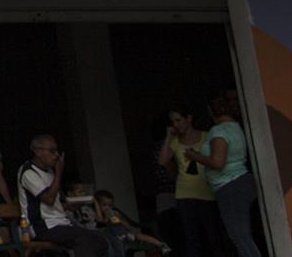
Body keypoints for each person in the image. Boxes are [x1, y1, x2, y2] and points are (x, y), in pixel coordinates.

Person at [185, 91, 262, 257]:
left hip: (230, 186)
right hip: (239, 183)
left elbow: (217, 162)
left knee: (239, 235)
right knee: (242, 234)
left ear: (211, 111)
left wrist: (194, 156)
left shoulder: (218, 131)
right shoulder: (235, 127)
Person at [18, 134, 116, 257]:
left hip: (61, 223)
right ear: (38, 151)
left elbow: (56, 204)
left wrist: (72, 206)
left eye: (56, 151)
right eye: (52, 151)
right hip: (42, 227)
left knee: (100, 240)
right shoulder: (29, 172)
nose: (57, 155)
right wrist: (59, 172)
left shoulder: (49, 171)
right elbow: (48, 199)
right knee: (83, 239)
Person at [158, 106, 224, 256]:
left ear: (188, 118)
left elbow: (218, 160)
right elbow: (162, 161)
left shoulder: (207, 136)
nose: (176, 124)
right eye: (173, 122)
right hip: (184, 194)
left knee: (213, 235)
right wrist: (168, 136)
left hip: (207, 192)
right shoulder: (175, 141)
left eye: (179, 120)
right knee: (192, 237)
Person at [94, 188, 169, 253]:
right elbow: (101, 220)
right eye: (104, 205)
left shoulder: (114, 213)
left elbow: (125, 223)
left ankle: (160, 244)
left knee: (138, 235)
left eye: (110, 205)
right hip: (116, 237)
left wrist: (123, 223)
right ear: (98, 205)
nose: (107, 207)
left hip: (124, 232)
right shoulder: (98, 215)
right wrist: (96, 205)